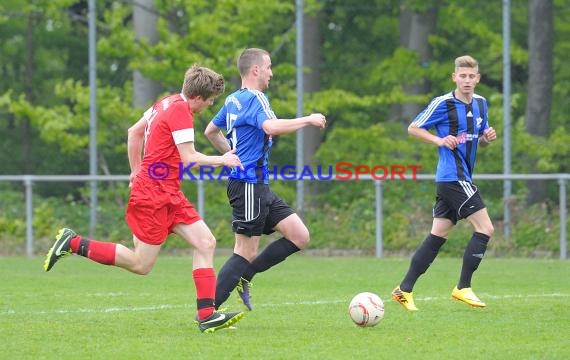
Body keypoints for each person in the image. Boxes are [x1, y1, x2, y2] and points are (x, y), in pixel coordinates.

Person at [43, 64, 245, 333]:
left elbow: (134, 132)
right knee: (141, 264)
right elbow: (190, 158)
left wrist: (135, 170)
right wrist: (224, 159)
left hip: (166, 191)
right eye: (209, 102)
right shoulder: (180, 111)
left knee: (206, 242)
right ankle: (74, 242)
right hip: (153, 194)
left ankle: (206, 314)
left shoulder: (165, 103)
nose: (208, 106)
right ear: (198, 97)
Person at [204, 48, 327, 311]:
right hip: (248, 185)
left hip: (259, 185)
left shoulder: (233, 100)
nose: (271, 73)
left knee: (299, 235)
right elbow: (271, 127)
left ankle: (245, 276)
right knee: (244, 251)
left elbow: (211, 131)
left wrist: (231, 152)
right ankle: (208, 311)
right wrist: (308, 118)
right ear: (255, 69)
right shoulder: (256, 98)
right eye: (269, 67)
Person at [391, 55, 497, 311]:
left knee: (438, 235)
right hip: (453, 177)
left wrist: (486, 138)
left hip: (460, 178)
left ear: (478, 78)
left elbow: (478, 141)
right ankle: (463, 287)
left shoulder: (482, 104)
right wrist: (439, 141)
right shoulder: (443, 103)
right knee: (486, 228)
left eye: (472, 76)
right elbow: (413, 128)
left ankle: (403, 290)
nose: (467, 80)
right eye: (463, 76)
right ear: (454, 77)